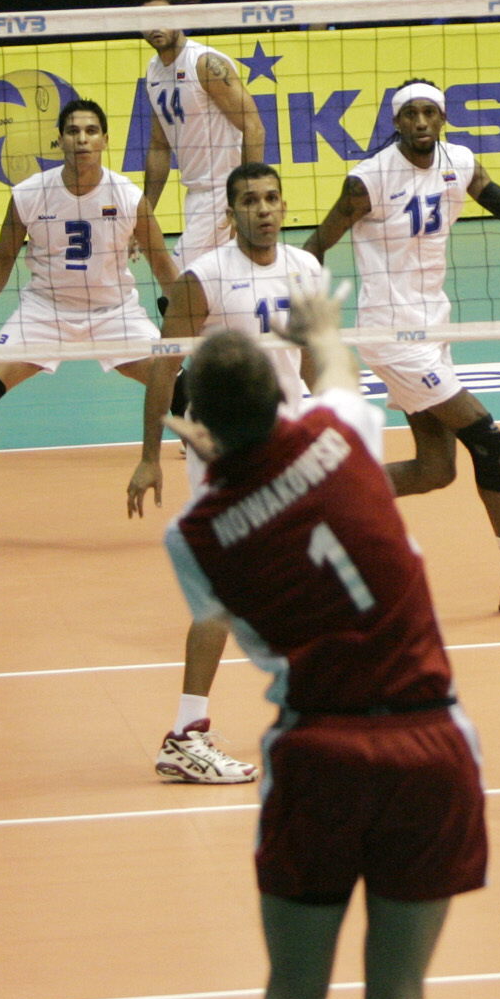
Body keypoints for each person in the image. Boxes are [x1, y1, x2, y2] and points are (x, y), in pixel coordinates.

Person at [163, 293, 487, 999]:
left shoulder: (195, 535)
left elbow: (244, 626)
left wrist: (222, 473)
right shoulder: (340, 434)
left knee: (292, 998)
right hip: (431, 750)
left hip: (320, 761)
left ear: (200, 427)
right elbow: (338, 373)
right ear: (283, 396)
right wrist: (321, 332)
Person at [304, 79, 500, 619]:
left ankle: (319, 502)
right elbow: (317, 244)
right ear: (396, 122)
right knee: (487, 439)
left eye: (431, 112)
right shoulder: (369, 180)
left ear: (443, 119)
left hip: (435, 328)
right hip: (390, 333)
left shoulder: (463, 164)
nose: (422, 122)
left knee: (435, 470)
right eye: (411, 114)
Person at [128, 160, 331, 784]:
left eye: (272, 198)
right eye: (249, 201)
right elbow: (165, 365)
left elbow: (315, 357)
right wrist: (146, 454)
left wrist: (323, 424)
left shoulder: (307, 269)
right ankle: (186, 735)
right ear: (231, 212)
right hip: (224, 455)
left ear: (283, 205)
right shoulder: (205, 276)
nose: (263, 209)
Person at [0, 98, 178, 555]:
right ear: (59, 140)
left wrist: (188, 325)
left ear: (105, 140)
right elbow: (1, 258)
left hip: (116, 314)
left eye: (91, 131)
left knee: (191, 392)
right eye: (73, 132)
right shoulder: (30, 193)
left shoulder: (129, 197)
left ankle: (234, 502)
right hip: (45, 312)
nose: (82, 140)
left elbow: (163, 265)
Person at [139, 0, 266, 266]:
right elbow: (159, 147)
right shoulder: (154, 71)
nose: (155, 27)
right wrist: (145, 213)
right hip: (195, 195)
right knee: (223, 285)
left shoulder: (205, 64)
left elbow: (253, 126)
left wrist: (247, 197)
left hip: (225, 191)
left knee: (182, 282)